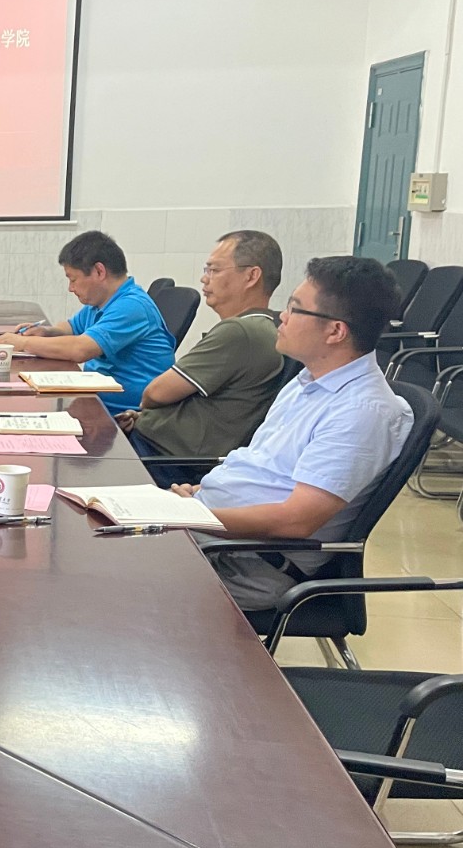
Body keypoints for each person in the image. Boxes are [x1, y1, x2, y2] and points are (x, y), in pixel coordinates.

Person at [173, 257, 412, 611]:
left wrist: (185, 515)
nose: (282, 317)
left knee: (106, 577)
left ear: (335, 331)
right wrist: (196, 496)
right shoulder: (307, 381)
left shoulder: (362, 411)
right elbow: (263, 470)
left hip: (249, 562)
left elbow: (296, 520)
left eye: (295, 309)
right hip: (213, 530)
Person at [118, 231, 284, 476]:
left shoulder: (240, 331)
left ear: (251, 276)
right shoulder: (260, 327)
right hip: (160, 445)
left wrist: (147, 412)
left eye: (214, 270)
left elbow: (155, 393)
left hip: (163, 458)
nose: (204, 279)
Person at [0, 230, 174, 415]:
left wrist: (23, 343)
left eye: (73, 279)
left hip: (124, 415)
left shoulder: (131, 306)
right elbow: (71, 327)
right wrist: (46, 332)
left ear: (99, 271)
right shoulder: (101, 301)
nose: (70, 288)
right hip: (94, 402)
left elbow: (80, 350)